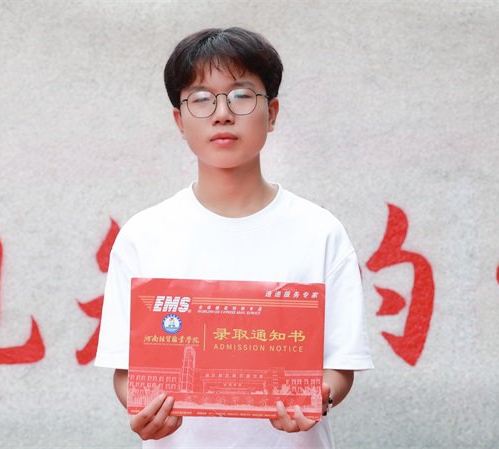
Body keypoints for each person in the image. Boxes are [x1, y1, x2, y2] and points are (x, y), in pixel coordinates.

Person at [95, 27, 373, 448]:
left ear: (272, 113)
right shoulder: (144, 235)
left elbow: (340, 364)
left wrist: (320, 396)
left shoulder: (320, 232)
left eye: (241, 95)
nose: (222, 113)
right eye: (201, 98)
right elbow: (126, 371)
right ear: (179, 121)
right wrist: (144, 410)